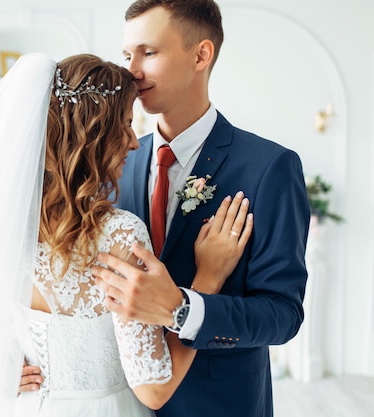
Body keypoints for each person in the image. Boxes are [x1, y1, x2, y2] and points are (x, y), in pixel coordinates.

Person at [0, 52, 253, 417]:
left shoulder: (2, 227)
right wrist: (208, 276)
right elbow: (155, 390)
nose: (134, 142)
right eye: (126, 126)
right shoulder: (121, 234)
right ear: (92, 140)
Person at [91, 1, 310, 417]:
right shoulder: (114, 167)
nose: (131, 70)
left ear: (201, 55)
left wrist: (183, 308)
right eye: (127, 55)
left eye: (148, 52)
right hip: (123, 404)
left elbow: (283, 314)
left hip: (220, 406)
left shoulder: (269, 167)